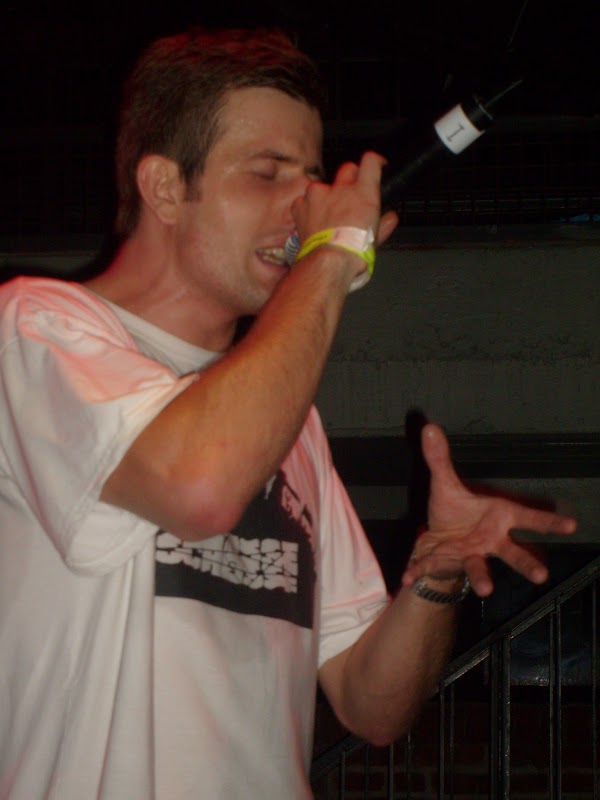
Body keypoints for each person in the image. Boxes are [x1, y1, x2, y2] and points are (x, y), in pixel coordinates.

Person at [0, 28, 576, 800]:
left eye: (309, 180)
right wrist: (334, 253)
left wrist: (434, 576)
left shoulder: (289, 422)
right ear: (164, 187)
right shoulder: (34, 329)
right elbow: (197, 488)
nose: (302, 207)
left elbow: (372, 706)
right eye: (267, 174)